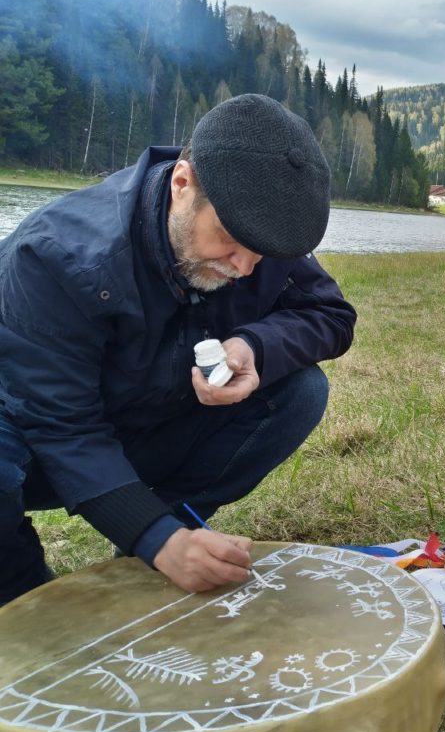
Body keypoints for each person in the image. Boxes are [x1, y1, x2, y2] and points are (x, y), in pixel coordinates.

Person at [0, 94, 357, 605]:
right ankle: (26, 606)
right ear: (182, 183)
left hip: (147, 422)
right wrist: (156, 539)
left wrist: (253, 346)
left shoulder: (258, 235)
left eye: (265, 252)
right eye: (231, 240)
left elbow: (331, 316)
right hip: (36, 440)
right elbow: (62, 425)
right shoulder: (57, 256)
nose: (246, 266)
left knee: (299, 390)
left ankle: (161, 535)